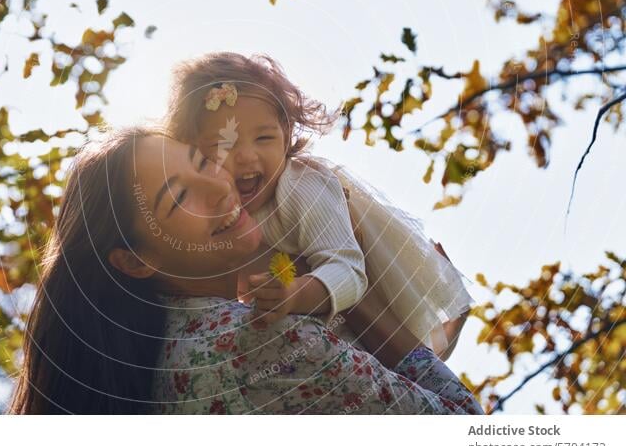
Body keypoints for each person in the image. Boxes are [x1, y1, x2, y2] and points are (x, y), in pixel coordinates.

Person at [7, 127, 483, 414]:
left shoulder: (157, 363)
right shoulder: (262, 341)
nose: (219, 185)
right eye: (178, 197)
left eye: (201, 162)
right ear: (135, 260)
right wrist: (353, 281)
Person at [164, 51, 474, 358]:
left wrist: (294, 294)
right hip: (305, 340)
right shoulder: (207, 213)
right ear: (192, 154)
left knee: (406, 356)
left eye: (264, 139)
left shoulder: (300, 185)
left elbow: (349, 270)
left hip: (355, 308)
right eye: (223, 144)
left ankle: (441, 341)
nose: (246, 155)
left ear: (286, 136)